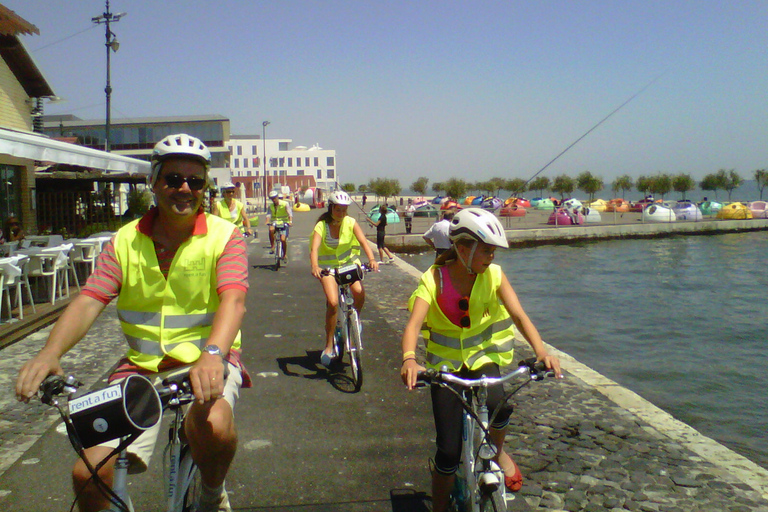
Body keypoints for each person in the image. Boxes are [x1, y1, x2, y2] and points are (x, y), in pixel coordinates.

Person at [15, 133, 249, 512]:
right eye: (173, 179)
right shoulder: (125, 240)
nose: (184, 188)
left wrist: (212, 353)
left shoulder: (225, 237)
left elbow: (233, 299)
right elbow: (90, 299)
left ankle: (211, 491)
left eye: (195, 181)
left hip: (206, 361)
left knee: (213, 424)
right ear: (154, 182)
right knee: (88, 474)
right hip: (139, 370)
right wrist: (49, 353)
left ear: (205, 187)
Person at [400, 208, 562, 512]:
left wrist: (542, 353)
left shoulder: (495, 276)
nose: (491, 257)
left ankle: (496, 453)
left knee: (501, 407)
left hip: (483, 359)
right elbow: (412, 325)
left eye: (493, 251)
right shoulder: (433, 280)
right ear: (463, 249)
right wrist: (410, 360)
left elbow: (519, 315)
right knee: (448, 452)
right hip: (444, 369)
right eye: (486, 250)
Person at [309, 190, 379, 367]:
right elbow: (314, 249)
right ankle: (329, 345)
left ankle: (354, 320)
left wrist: (371, 259)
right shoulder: (321, 226)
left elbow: (364, 241)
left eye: (344, 210)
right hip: (328, 269)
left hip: (349, 264)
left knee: (358, 292)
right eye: (338, 209)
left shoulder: (351, 222)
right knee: (332, 303)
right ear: (331, 208)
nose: (341, 213)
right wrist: (315, 266)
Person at [266, 190, 293, 263]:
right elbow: (268, 214)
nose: (274, 199)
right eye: (272, 198)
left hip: (284, 222)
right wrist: (267, 221)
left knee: (283, 239)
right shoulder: (271, 206)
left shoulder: (285, 204)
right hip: (275, 221)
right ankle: (272, 246)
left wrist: (290, 222)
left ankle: (284, 255)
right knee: (271, 230)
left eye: (275, 198)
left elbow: (290, 213)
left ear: (277, 197)